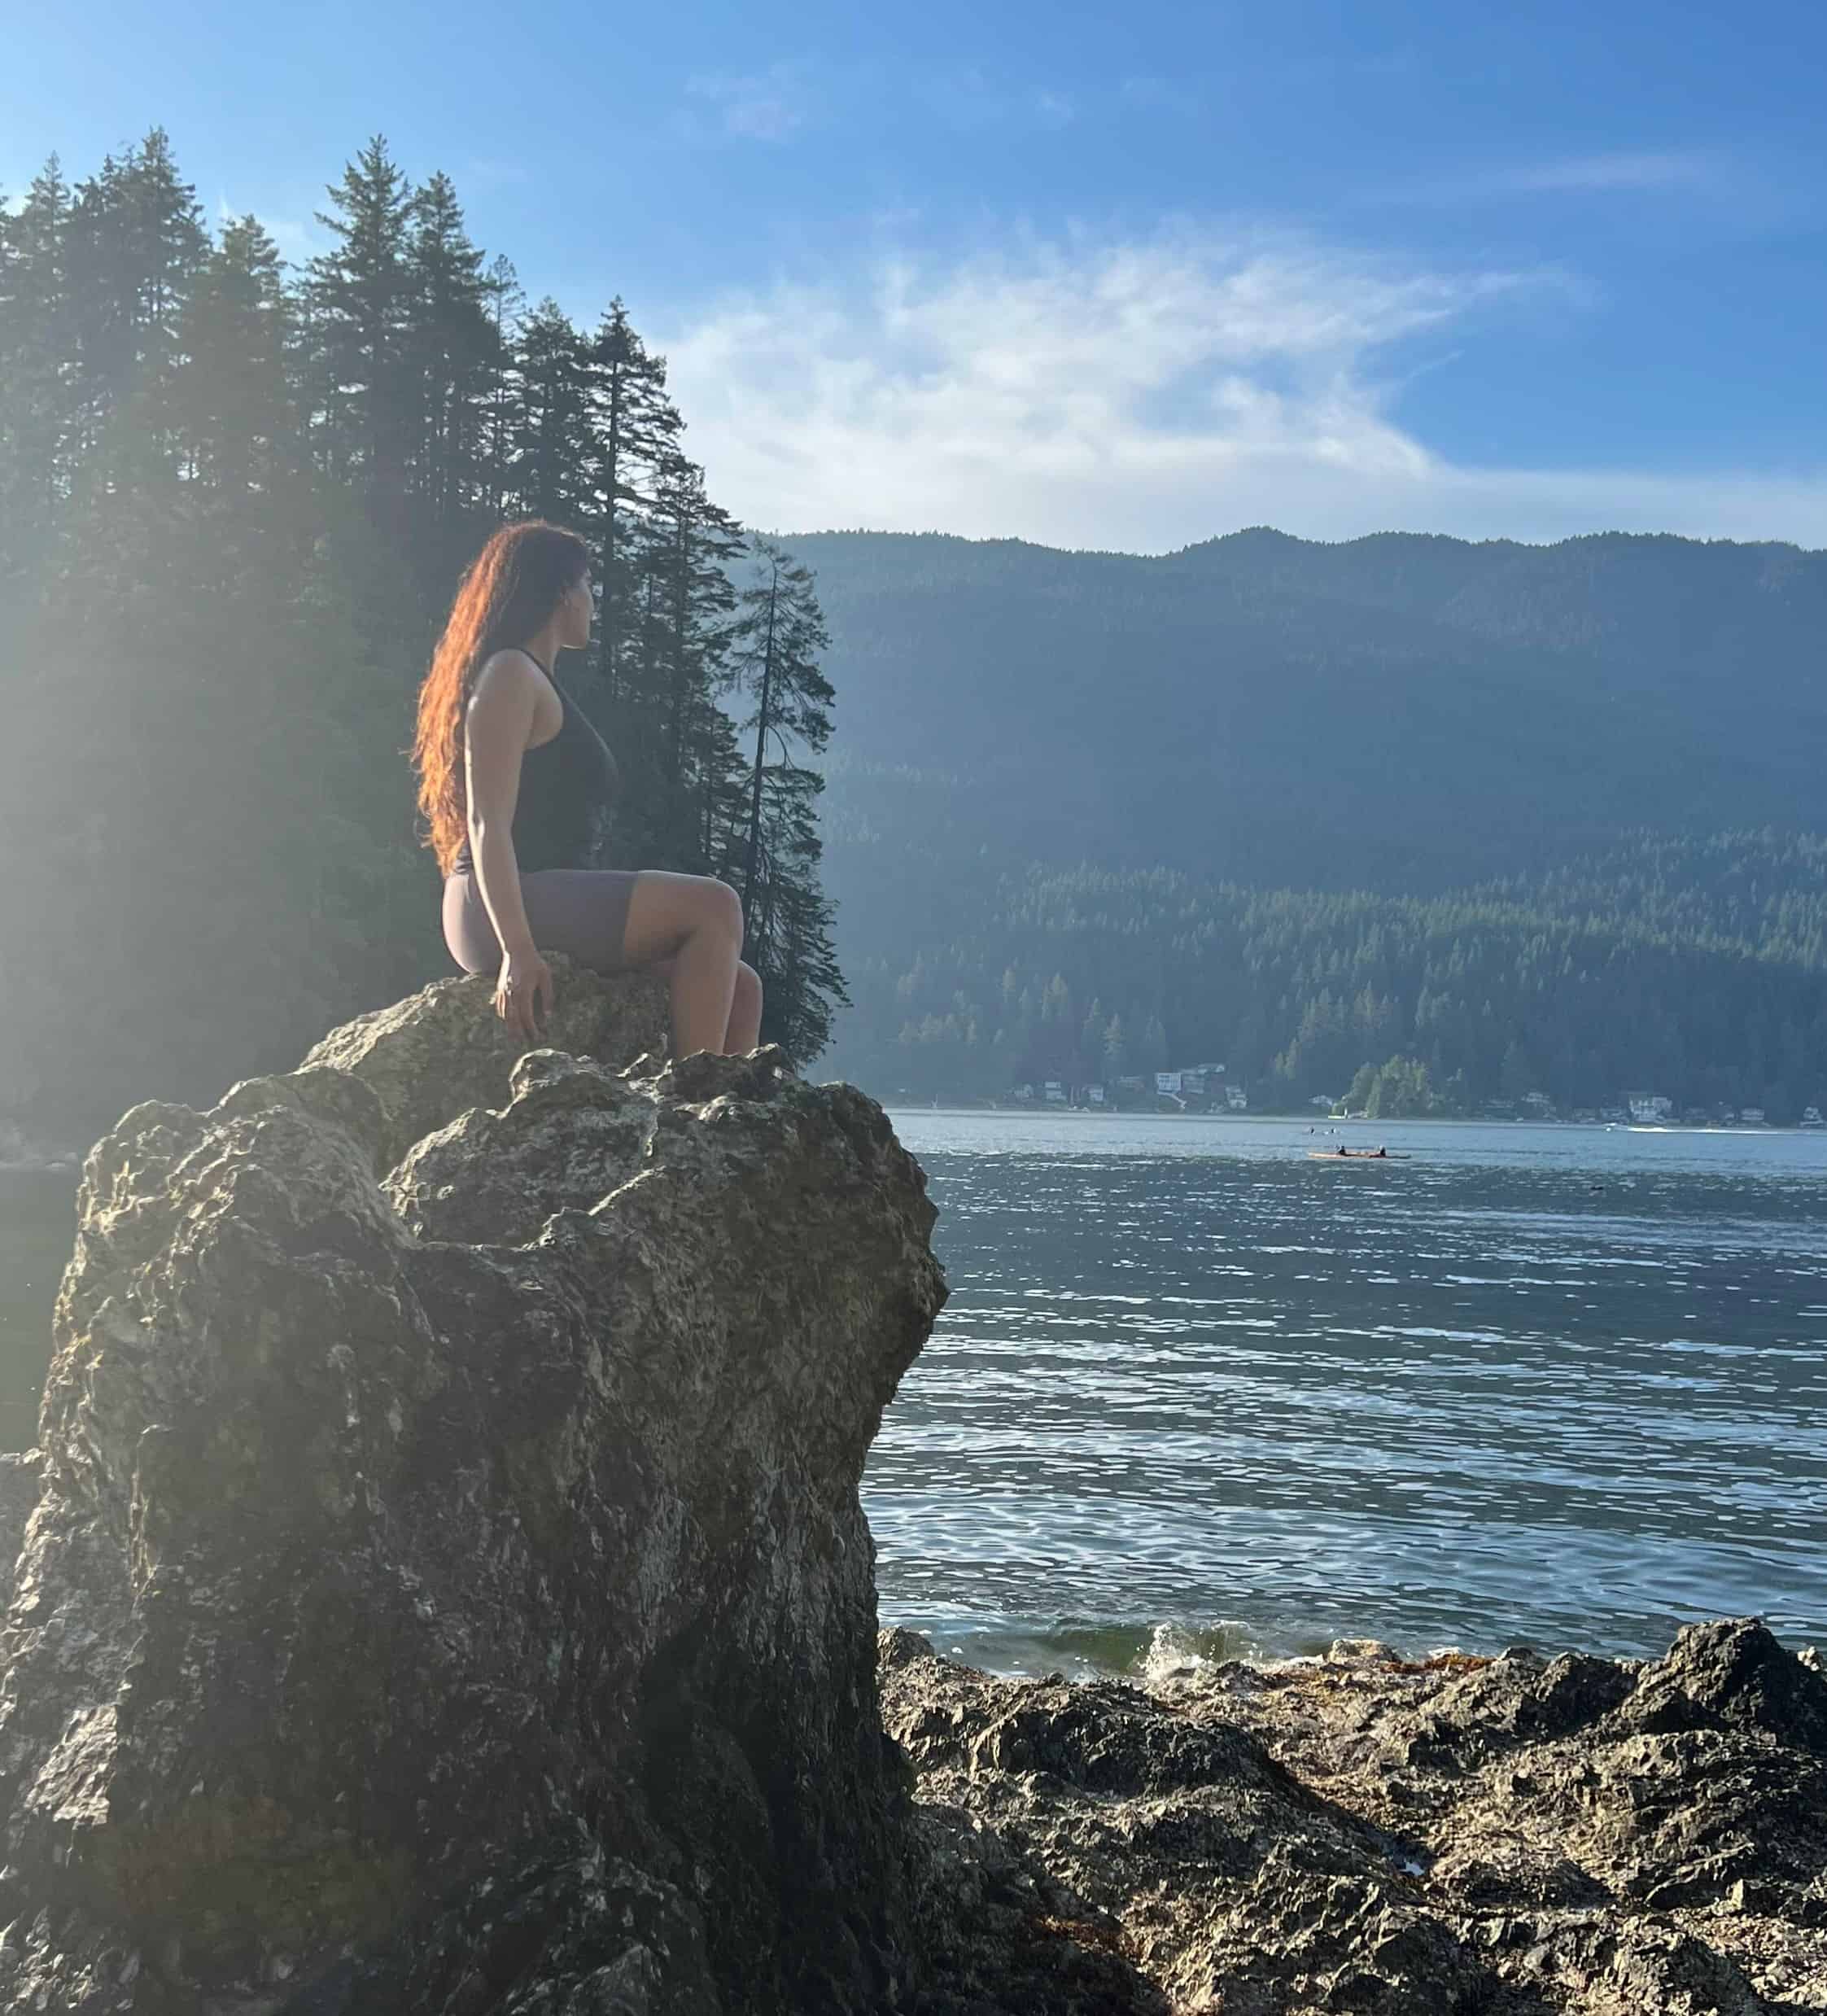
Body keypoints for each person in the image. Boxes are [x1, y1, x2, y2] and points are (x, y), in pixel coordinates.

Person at [412, 519, 762, 1055]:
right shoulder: (509, 673)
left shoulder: (535, 678)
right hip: (499, 905)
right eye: (587, 587)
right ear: (561, 593)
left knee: (741, 987)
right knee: (716, 905)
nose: (592, 602)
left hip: (541, 894)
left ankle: (727, 1125)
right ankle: (694, 1103)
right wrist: (518, 950)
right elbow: (487, 821)